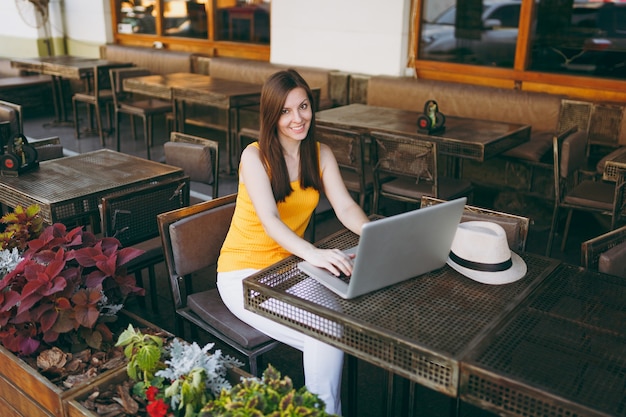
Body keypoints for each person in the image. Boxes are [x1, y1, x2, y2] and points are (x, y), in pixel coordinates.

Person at [217, 69, 370, 415]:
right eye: (285, 111)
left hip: (289, 268)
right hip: (242, 274)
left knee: (332, 327)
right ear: (271, 115)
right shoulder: (254, 157)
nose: (297, 118)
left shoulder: (321, 154)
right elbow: (270, 221)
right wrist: (314, 253)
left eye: (303, 106)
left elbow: (345, 207)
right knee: (328, 333)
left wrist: (377, 236)